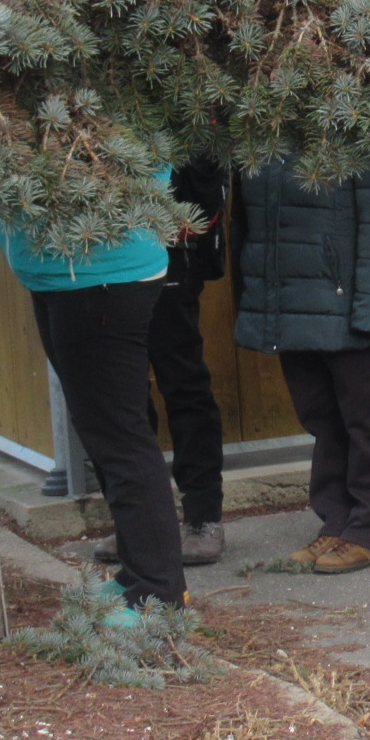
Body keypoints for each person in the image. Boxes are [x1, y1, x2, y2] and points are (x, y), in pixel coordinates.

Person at [0, 198, 186, 618]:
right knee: (101, 430)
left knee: (120, 436)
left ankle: (159, 596)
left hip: (97, 272)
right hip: (61, 273)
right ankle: (137, 576)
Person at [234, 160, 370, 575]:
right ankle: (336, 520)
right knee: (321, 418)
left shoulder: (357, 125)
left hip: (349, 303)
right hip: (289, 303)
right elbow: (249, 225)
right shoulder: (264, 131)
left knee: (367, 421)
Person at [95, 160, 228, 569]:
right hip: (102, 258)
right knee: (120, 394)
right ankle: (139, 521)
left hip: (171, 255)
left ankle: (204, 517)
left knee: (183, 381)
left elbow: (208, 186)